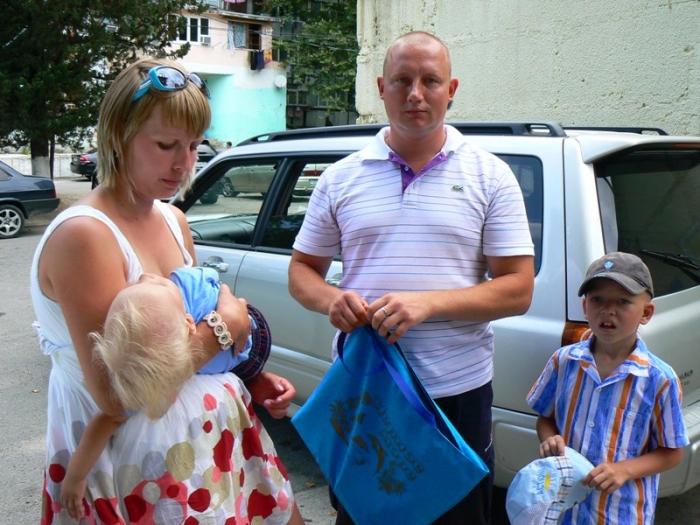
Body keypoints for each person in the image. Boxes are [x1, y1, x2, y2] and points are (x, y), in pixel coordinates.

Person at [31, 57, 303, 524]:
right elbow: (118, 396)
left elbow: (184, 327)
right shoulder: (85, 235)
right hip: (133, 464)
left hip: (208, 445)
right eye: (166, 145)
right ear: (117, 135)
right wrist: (225, 327)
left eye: (195, 145)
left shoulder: (174, 220)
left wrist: (248, 373)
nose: (185, 163)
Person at [287, 31, 535, 524]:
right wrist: (331, 300)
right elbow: (302, 271)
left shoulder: (491, 176)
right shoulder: (340, 177)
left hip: (456, 393)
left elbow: (518, 289)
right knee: (362, 514)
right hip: (366, 388)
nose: (416, 94)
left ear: (451, 89)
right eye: (402, 80)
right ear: (382, 87)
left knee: (457, 516)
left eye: (430, 81)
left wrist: (428, 304)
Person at [60, 267, 274, 519]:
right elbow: (228, 300)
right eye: (155, 284)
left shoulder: (146, 378)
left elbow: (105, 421)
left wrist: (74, 478)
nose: (145, 276)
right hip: (254, 346)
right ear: (189, 324)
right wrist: (226, 301)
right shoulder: (191, 288)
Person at [527, 252, 688, 524]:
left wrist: (625, 470)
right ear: (585, 306)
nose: (608, 310)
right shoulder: (564, 361)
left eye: (623, 301)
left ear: (646, 312)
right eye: (597, 299)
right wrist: (550, 439)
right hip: (564, 509)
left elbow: (672, 452)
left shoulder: (660, 380)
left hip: (620, 513)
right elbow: (545, 419)